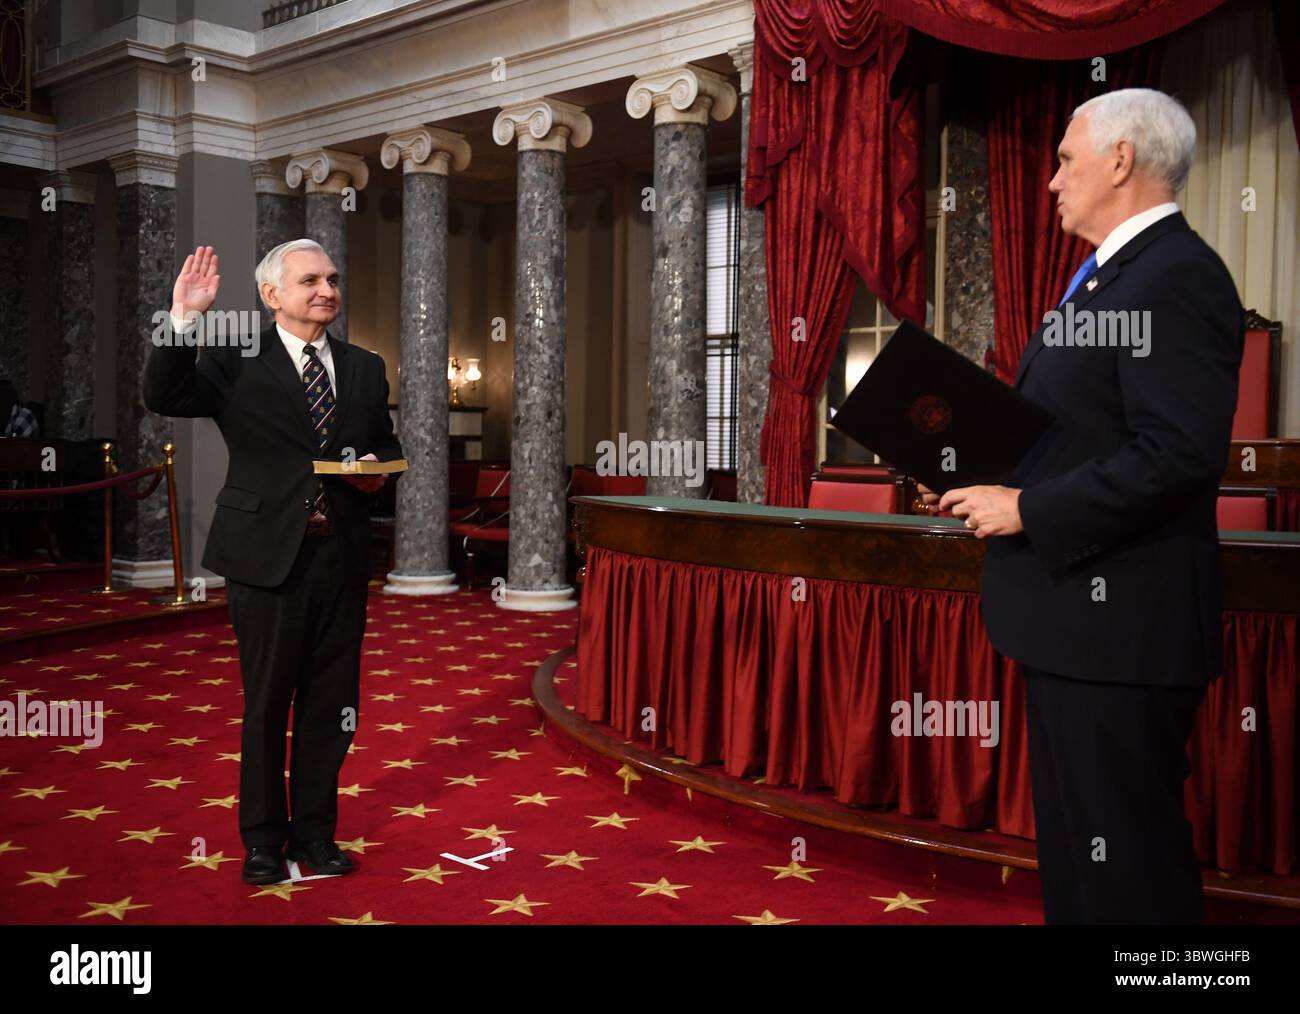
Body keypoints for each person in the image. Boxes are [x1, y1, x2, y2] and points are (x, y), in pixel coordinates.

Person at [918, 88, 1243, 923]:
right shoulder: (1105, 278)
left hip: (1123, 632)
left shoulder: (1176, 275)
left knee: (1129, 876)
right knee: (1084, 867)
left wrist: (1028, 510)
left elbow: (1178, 455)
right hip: (1076, 626)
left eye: (1065, 158)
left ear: (1122, 159)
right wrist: (966, 473)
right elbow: (1075, 437)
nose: (1053, 179)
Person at [145, 241, 403, 884]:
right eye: (310, 279)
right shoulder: (235, 360)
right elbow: (166, 395)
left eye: (333, 279)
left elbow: (386, 449)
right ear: (271, 295)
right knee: (266, 705)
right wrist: (181, 320)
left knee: (331, 705)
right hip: (264, 558)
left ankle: (316, 836)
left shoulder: (366, 367)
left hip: (341, 559)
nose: (326, 290)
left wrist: (377, 474)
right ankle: (261, 839)